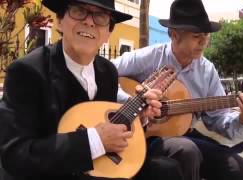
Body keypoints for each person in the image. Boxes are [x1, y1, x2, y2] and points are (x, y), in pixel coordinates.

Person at [0, 0, 183, 180]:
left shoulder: (107, 72)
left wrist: (140, 117)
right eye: (79, 11)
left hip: (98, 166)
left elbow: (105, 125)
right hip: (50, 173)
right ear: (59, 20)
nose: (89, 21)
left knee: (169, 170)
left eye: (100, 16)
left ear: (108, 33)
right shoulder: (26, 72)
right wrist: (94, 141)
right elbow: (15, 154)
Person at [113, 0, 243, 179]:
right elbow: (102, 72)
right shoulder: (150, 56)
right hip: (145, 136)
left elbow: (219, 118)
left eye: (206, 35)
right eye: (196, 36)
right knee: (187, 150)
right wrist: (130, 102)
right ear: (175, 35)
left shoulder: (207, 70)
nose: (203, 42)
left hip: (186, 134)